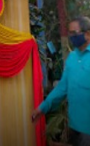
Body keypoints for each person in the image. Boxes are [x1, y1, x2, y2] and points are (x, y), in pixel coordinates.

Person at [32, 16, 90, 146]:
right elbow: (62, 87)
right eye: (70, 33)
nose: (72, 37)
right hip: (75, 126)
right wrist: (43, 107)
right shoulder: (72, 58)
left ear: (87, 34)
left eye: (74, 33)